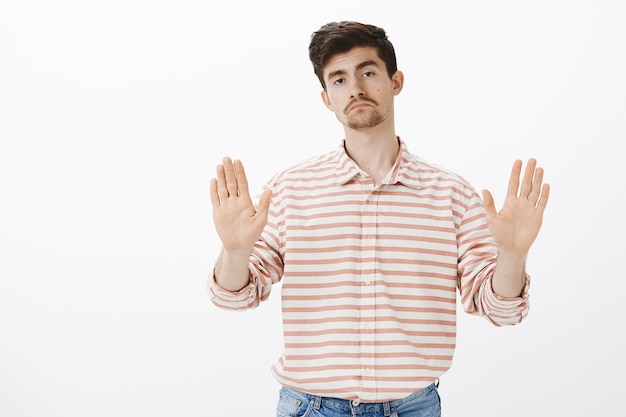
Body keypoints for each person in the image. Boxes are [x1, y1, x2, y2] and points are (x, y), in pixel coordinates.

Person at [209, 21, 550, 417]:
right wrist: (234, 251)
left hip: (413, 408)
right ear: (326, 98)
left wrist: (511, 254)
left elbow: (501, 309)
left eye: (368, 72)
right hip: (311, 408)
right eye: (339, 79)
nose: (354, 88)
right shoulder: (289, 190)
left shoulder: (452, 195)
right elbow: (232, 296)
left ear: (396, 81)